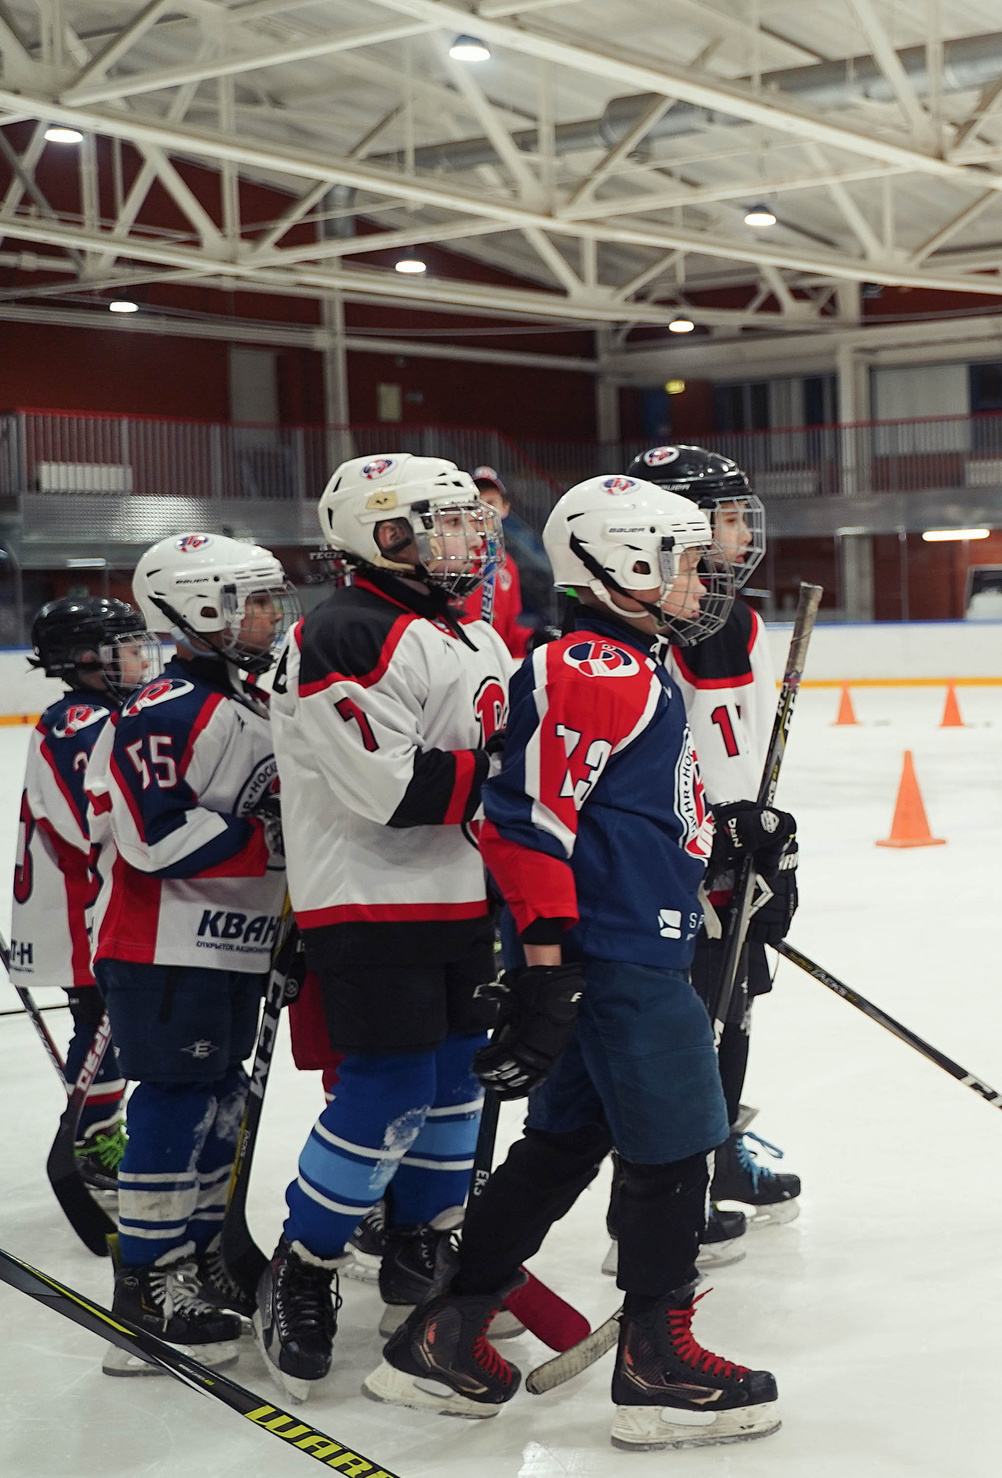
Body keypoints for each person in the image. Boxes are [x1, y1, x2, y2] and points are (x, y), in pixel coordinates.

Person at [369, 475, 782, 1453]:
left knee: (564, 1139)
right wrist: (550, 963)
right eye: (680, 563)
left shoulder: (629, 661)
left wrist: (726, 842)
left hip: (626, 935)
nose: (699, 580)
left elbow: (619, 813)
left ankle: (445, 1328)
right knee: (679, 1140)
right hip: (618, 952)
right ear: (624, 565)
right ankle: (656, 1360)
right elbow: (525, 818)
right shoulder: (594, 664)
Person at [254, 453, 513, 1397]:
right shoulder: (346, 632)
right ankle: (307, 1264)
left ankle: (421, 1246)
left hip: (458, 896)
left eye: (465, 523)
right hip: (367, 899)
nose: (467, 539)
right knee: (388, 1089)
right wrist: (529, 785)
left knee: (454, 1081)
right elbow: (396, 790)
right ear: (382, 532)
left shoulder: (466, 633)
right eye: (442, 523)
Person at [86, 533, 295, 1372]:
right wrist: (276, 836)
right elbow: (153, 838)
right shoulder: (166, 710)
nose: (272, 615)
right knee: (177, 1099)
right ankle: (146, 1277)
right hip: (163, 944)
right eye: (253, 600)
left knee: (217, 1101)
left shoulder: (248, 698)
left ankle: (197, 1253)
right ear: (200, 608)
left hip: (229, 941)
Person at [628, 443, 803, 1230]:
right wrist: (716, 851)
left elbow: (743, 755)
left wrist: (767, 850)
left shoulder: (737, 618)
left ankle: (719, 1154)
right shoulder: (663, 628)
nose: (740, 534)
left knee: (733, 1009)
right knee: (688, 1030)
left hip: (730, 862)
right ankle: (668, 1194)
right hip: (682, 869)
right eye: (725, 519)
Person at [10, 595, 159, 1191]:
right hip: (81, 909)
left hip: (86, 902)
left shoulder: (97, 716)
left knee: (111, 1026)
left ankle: (97, 1127)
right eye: (125, 650)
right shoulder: (81, 725)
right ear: (85, 659)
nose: (140, 661)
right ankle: (92, 1140)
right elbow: (95, 825)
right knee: (104, 1024)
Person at [459, 465, 535, 658]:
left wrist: (533, 640)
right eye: (475, 502)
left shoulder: (507, 564)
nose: (483, 511)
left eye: (491, 502)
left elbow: (509, 631)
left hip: (491, 666)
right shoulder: (450, 558)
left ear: (505, 509)